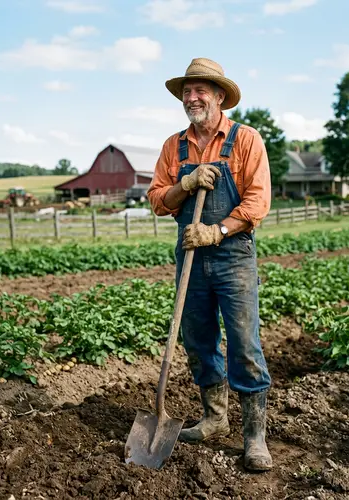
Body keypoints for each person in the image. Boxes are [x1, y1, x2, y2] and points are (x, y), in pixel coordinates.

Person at [147, 57, 273, 472]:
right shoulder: (174, 146)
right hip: (189, 256)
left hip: (232, 256)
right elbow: (157, 200)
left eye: (201, 90)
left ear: (220, 96)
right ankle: (215, 418)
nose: (192, 97)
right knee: (199, 341)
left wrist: (216, 232)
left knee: (244, 344)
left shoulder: (245, 140)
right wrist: (184, 184)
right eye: (187, 91)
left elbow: (257, 202)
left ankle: (254, 437)